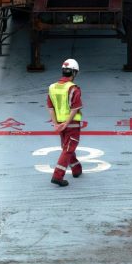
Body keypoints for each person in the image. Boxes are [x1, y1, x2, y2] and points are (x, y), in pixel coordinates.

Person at [46, 58, 83, 187]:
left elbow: (50, 108)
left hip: (60, 124)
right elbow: (75, 108)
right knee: (68, 149)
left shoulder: (52, 87)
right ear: (74, 73)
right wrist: (66, 123)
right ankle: (57, 176)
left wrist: (56, 124)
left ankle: (76, 169)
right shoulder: (73, 89)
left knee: (67, 147)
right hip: (71, 124)